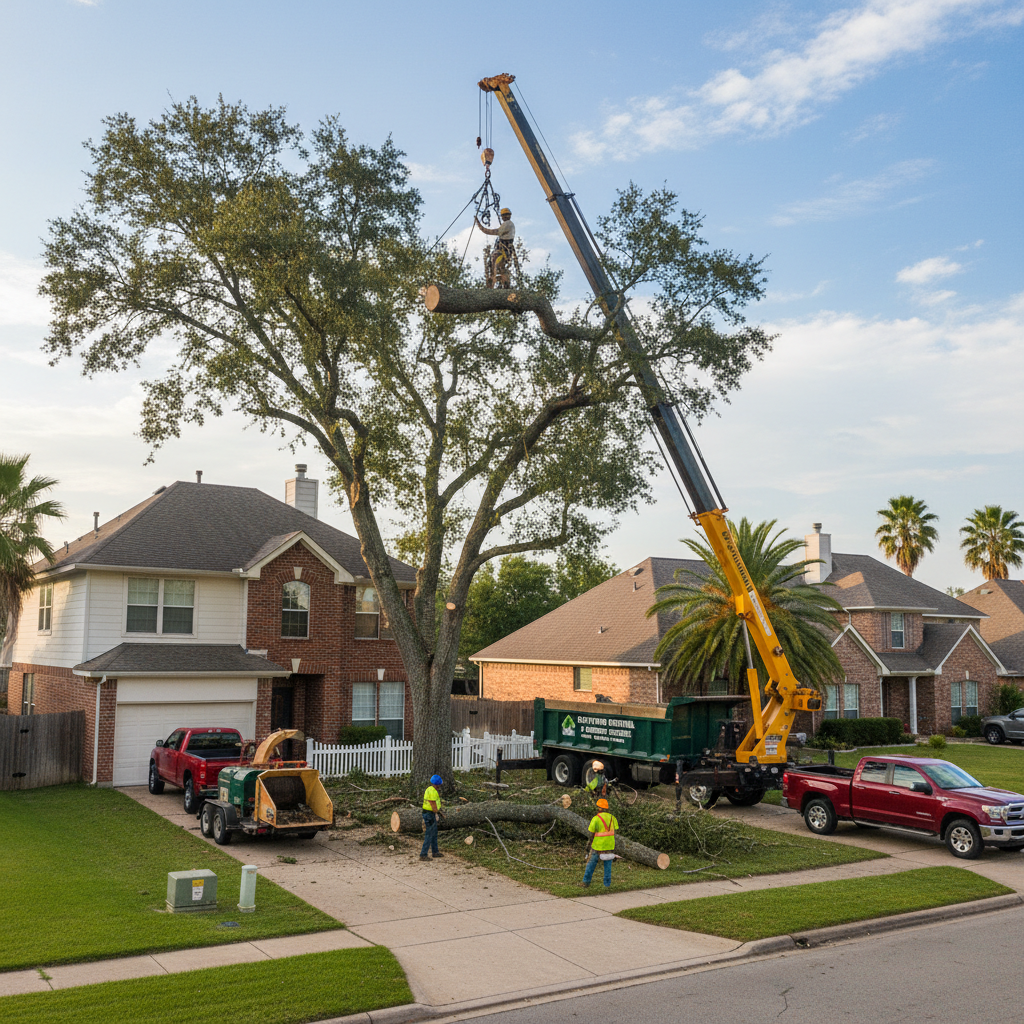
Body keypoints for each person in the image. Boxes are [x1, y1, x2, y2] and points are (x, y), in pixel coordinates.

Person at [582, 798, 618, 888]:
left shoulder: (596, 819)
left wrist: (589, 844)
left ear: (599, 808)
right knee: (608, 866)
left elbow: (591, 833)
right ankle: (607, 885)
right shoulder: (612, 818)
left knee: (591, 864)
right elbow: (614, 832)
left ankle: (585, 882)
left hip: (597, 846)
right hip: (609, 845)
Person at [475, 207, 515, 288]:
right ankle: (501, 282)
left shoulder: (508, 224)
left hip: (503, 251)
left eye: (505, 215)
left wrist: (480, 226)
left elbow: (494, 232)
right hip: (505, 251)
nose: (504, 217)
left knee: (494, 262)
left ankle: (494, 280)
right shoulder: (507, 224)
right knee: (499, 266)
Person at [420, 773, 444, 861]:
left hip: (428, 813)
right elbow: (433, 804)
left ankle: (435, 851)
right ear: (437, 785)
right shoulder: (433, 792)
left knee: (434, 833)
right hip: (430, 814)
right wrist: (436, 813)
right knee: (429, 834)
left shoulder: (429, 789)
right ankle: (423, 854)